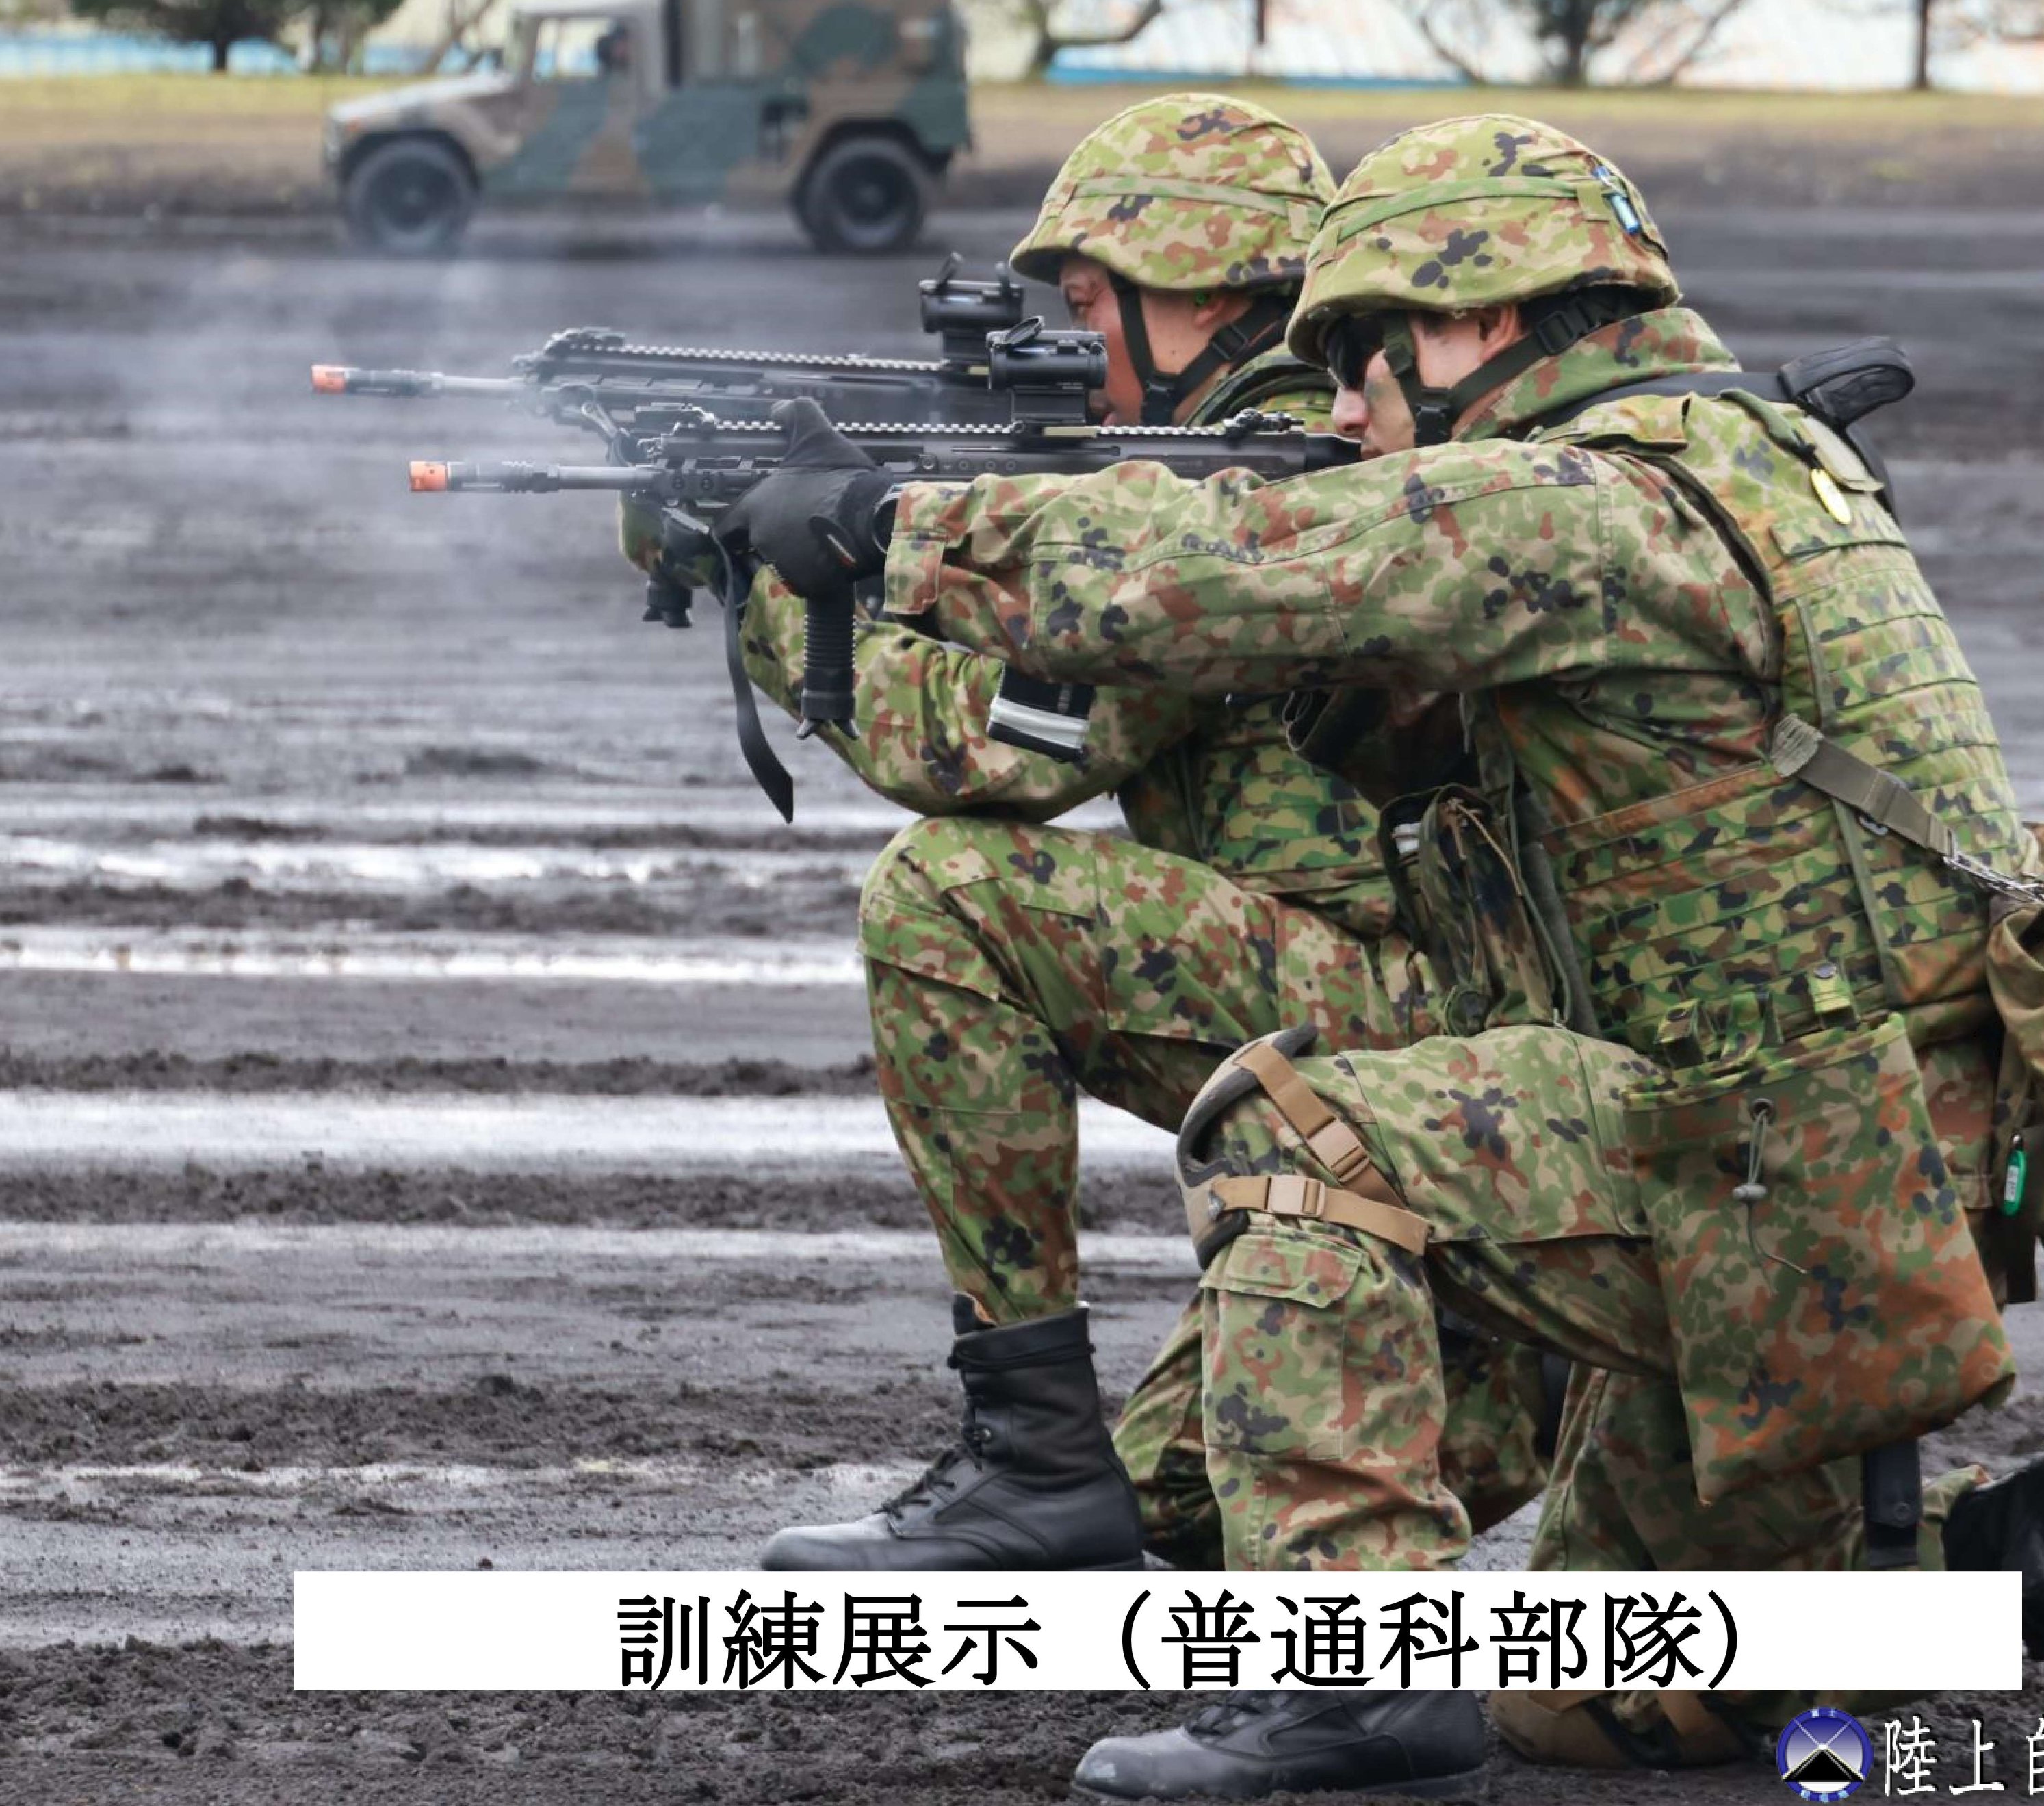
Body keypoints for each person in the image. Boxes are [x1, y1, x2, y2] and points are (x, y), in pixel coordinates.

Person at [719, 114, 2044, 1795]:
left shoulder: (1595, 500)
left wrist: (890, 531)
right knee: (1604, 1692)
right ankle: (2032, 1553)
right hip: (1832, 1166)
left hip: (1767, 1164)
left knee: (1301, 1138)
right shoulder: (1734, 463)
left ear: (1479, 322)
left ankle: (1348, 1685)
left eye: (1364, 358)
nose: (1349, 412)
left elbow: (1225, 569)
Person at [634, 93, 1555, 1575]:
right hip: (1442, 1060)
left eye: (1083, 300)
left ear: (1192, 282)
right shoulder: (1255, 439)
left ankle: (1028, 1450)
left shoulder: (1258, 474)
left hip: (1428, 1034)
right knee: (1174, 1513)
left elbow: (1003, 751)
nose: (1064, 336)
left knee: (950, 900)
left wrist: (779, 589)